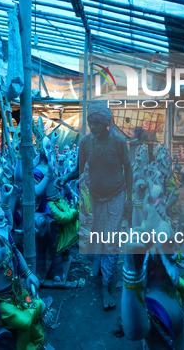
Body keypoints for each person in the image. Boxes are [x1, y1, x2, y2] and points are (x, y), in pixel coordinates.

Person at [58, 101, 133, 310]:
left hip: (117, 195)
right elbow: (80, 168)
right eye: (90, 123)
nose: (92, 127)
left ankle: (105, 288)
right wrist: (65, 177)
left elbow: (128, 170)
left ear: (106, 123)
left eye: (96, 123)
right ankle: (101, 270)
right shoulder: (85, 142)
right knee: (99, 235)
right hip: (97, 197)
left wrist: (129, 199)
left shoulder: (119, 142)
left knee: (110, 239)